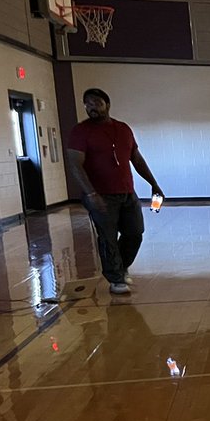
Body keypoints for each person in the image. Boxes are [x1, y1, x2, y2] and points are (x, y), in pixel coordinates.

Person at [65, 87, 164, 294]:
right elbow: (75, 164)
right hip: (100, 195)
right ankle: (116, 278)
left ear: (107, 105)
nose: (91, 107)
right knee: (108, 236)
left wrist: (154, 184)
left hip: (127, 193)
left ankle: (121, 266)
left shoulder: (123, 129)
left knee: (135, 233)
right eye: (87, 103)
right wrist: (91, 194)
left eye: (96, 103)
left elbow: (136, 159)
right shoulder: (80, 131)